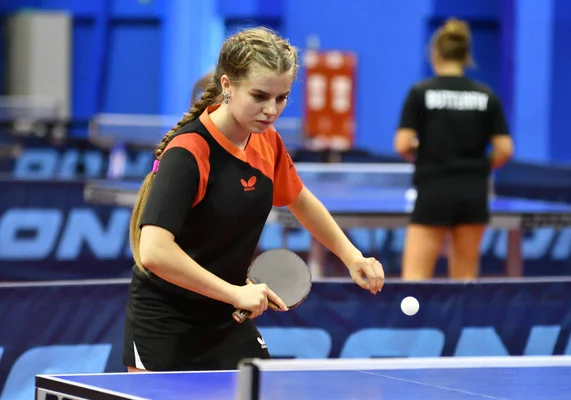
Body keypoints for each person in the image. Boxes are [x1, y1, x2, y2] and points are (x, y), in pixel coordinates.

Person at [123, 27, 385, 373]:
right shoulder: (189, 152)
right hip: (168, 323)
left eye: (282, 98)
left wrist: (350, 255)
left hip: (226, 313)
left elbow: (300, 199)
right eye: (259, 96)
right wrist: (234, 294)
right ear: (228, 85)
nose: (271, 110)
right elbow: (154, 252)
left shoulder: (267, 142)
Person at [394, 18, 514, 281]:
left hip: (433, 188)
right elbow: (504, 149)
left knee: (414, 278)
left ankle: (413, 323)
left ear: (435, 54)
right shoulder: (486, 96)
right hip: (472, 190)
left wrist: (424, 150)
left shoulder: (421, 93)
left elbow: (403, 144)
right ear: (467, 56)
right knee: (465, 278)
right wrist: (481, 165)